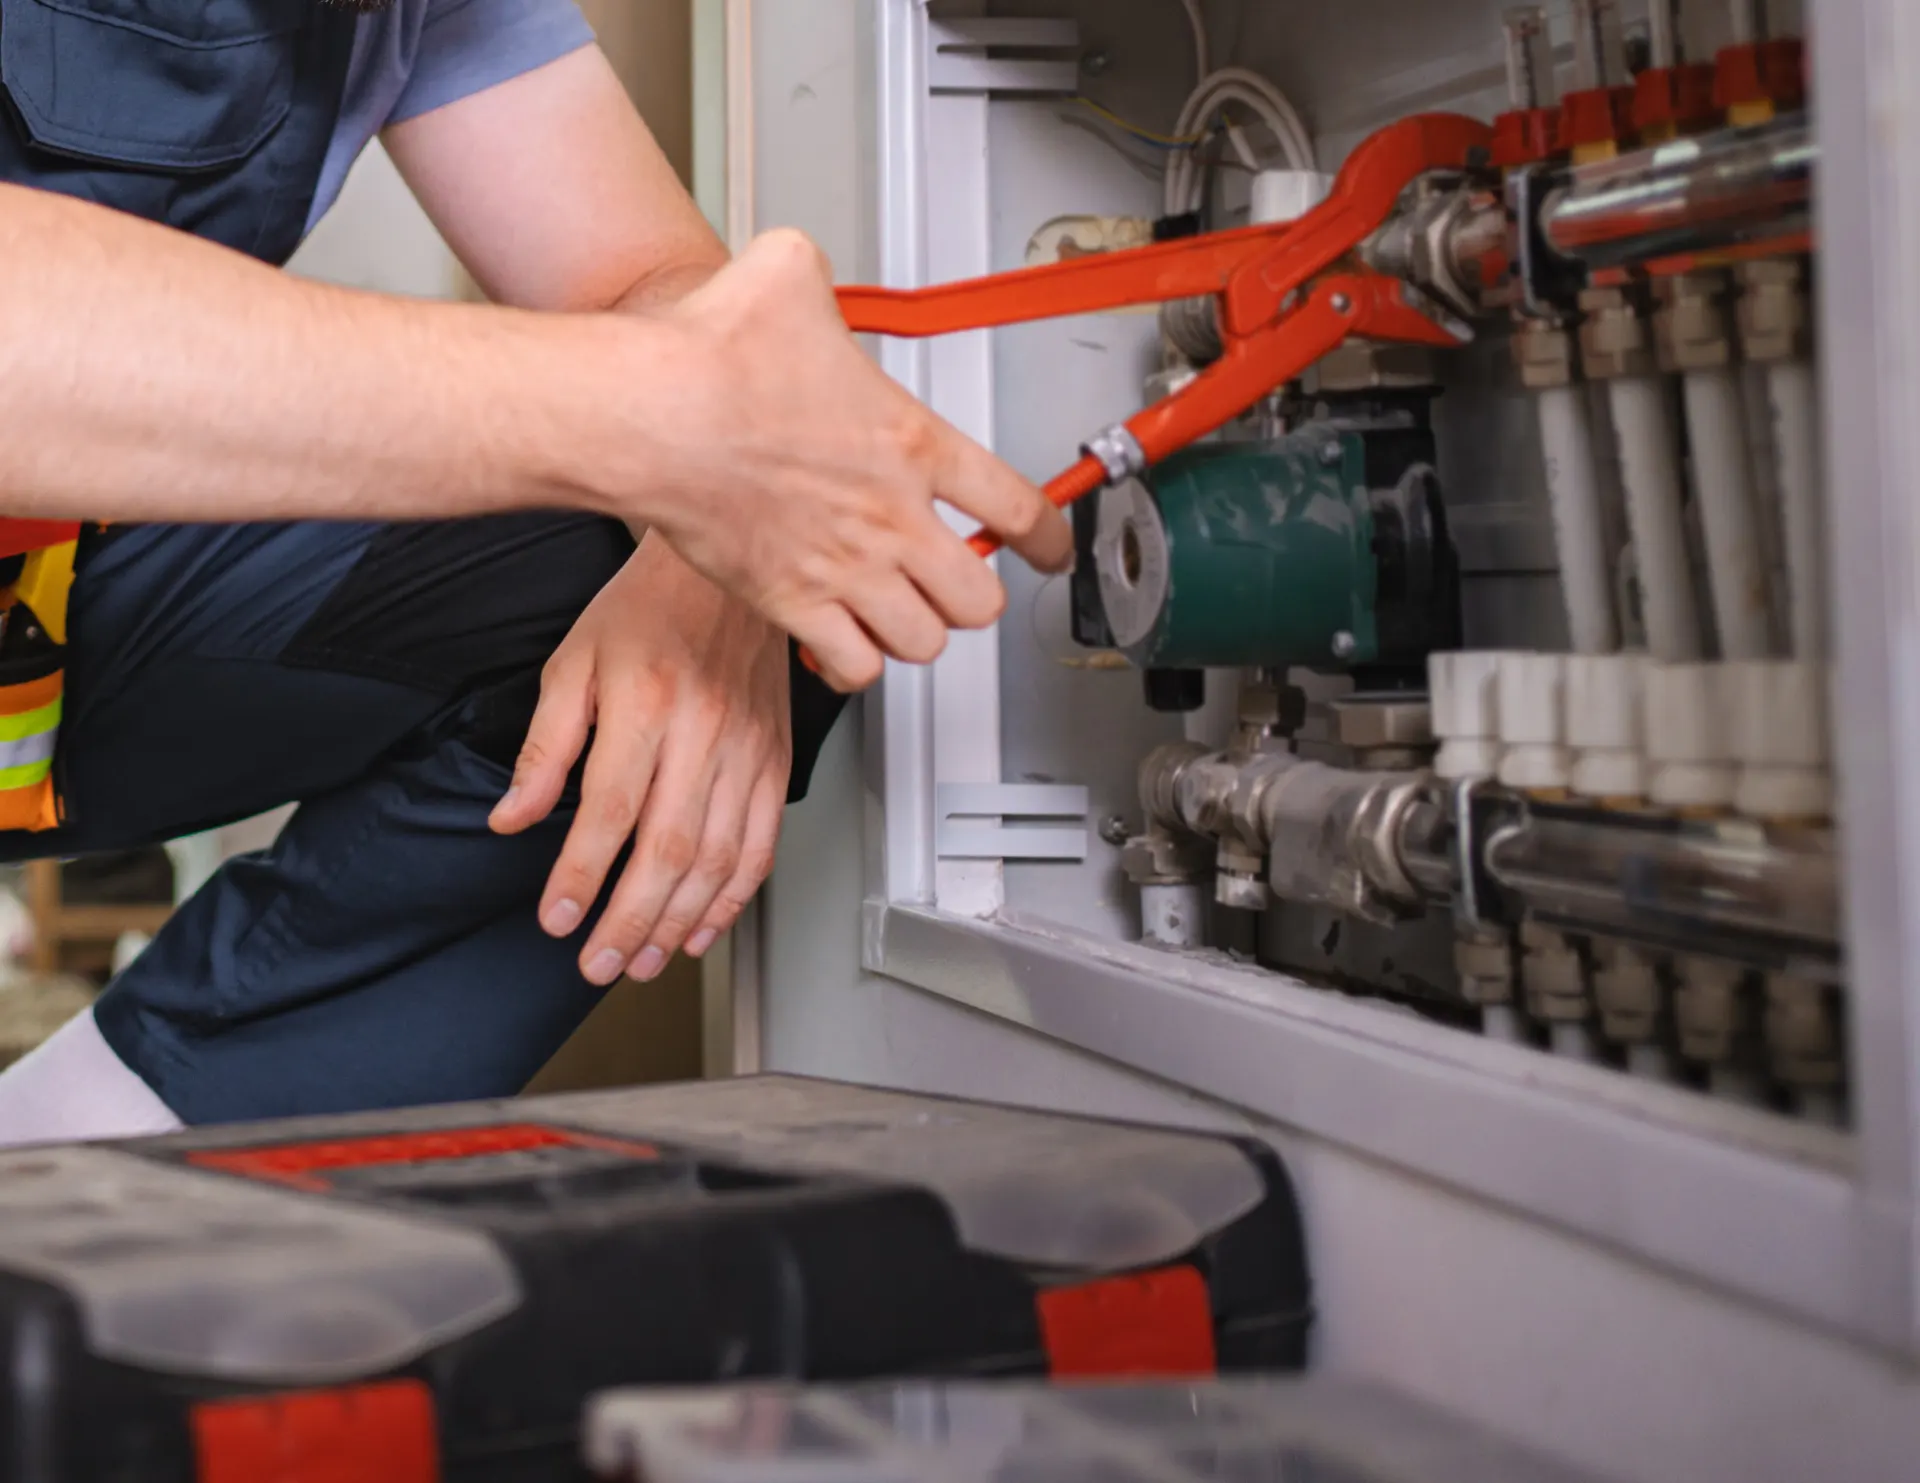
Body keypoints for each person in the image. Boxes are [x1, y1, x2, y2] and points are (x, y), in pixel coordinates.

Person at [0, 0, 1071, 1143]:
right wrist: (658, 419)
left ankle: (88, 1140)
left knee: (751, 568)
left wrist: (702, 533)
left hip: (38, 627)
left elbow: (646, 277)